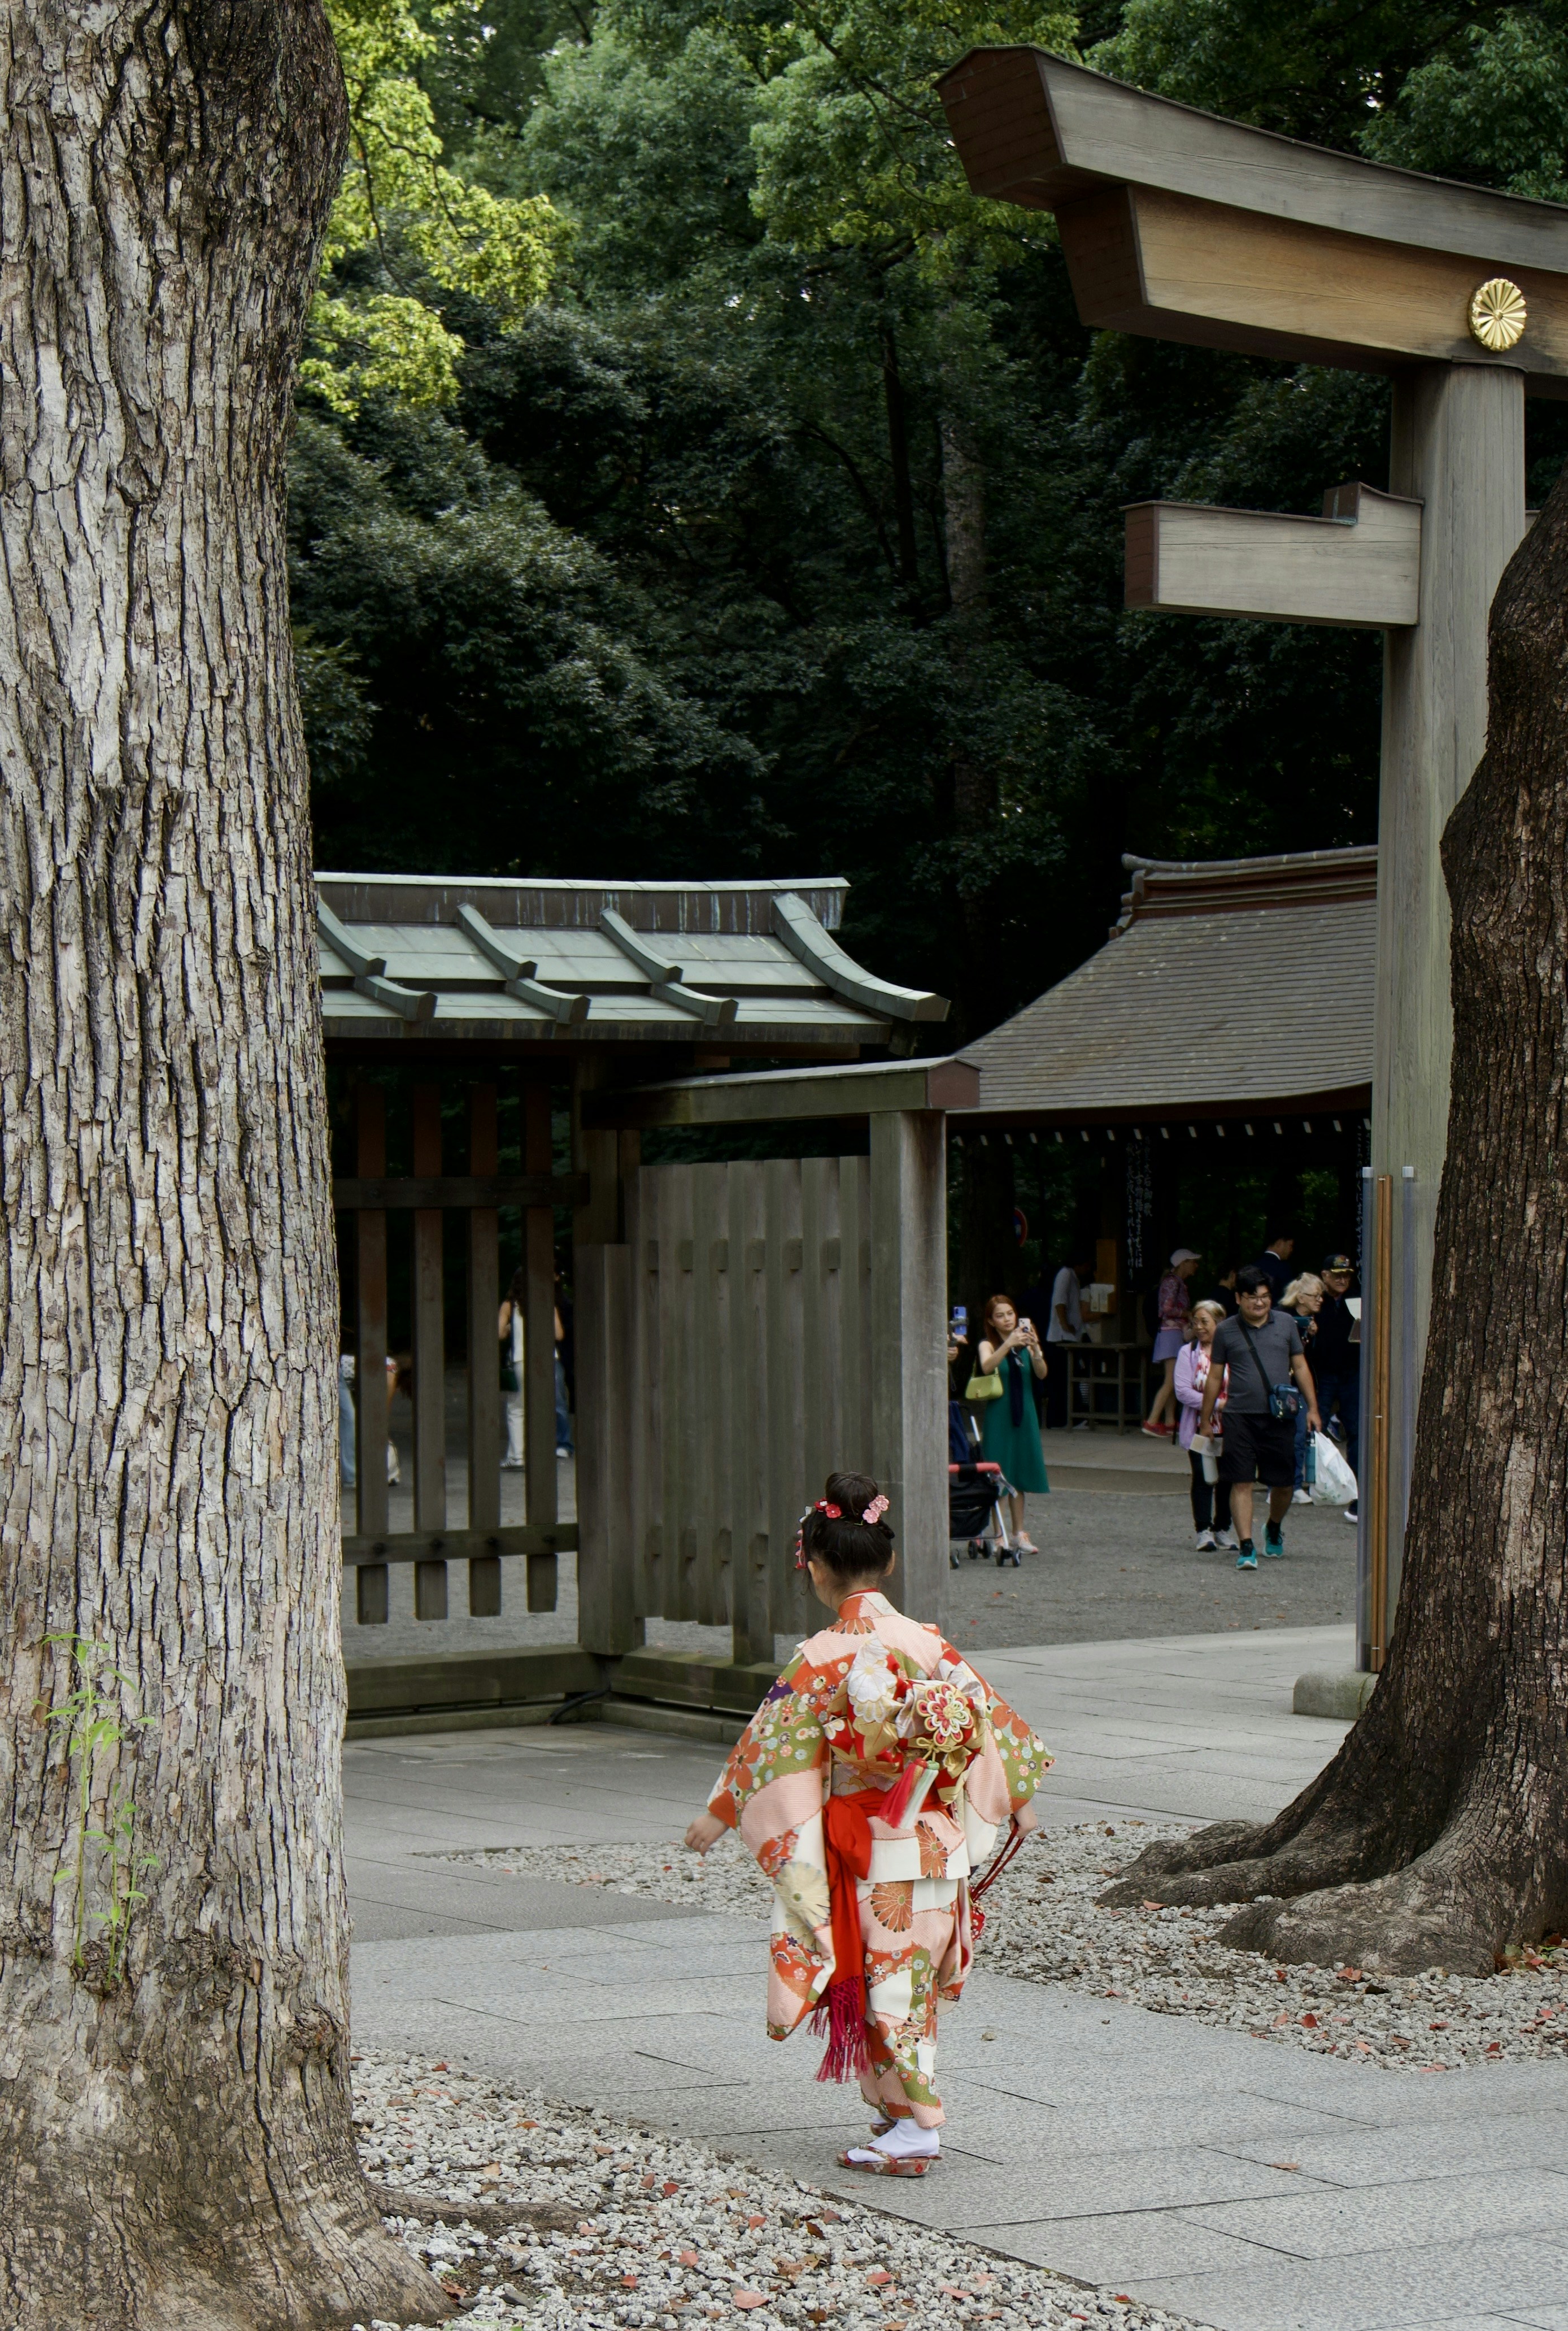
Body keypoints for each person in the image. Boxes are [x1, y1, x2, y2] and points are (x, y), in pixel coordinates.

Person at [684, 1470, 1053, 2177]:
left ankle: (918, 2127)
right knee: (903, 1983)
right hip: (934, 1842)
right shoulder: (927, 1643)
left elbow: (771, 1751)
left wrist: (719, 1813)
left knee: (886, 1982)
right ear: (887, 1561)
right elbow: (989, 1724)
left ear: (817, 1570)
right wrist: (1016, 1800)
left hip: (867, 1845)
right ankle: (894, 2108)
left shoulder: (819, 1657)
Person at [1199, 1265, 1321, 1570]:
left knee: (1283, 1484)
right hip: (1239, 1416)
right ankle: (1247, 1545)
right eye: (1252, 1297)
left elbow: (1301, 1367)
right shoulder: (1226, 1330)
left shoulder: (1286, 1324)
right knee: (1240, 1481)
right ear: (1239, 1298)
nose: (1260, 1303)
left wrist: (1314, 1409)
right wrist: (1205, 1419)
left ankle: (1274, 1525)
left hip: (1279, 1415)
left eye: (1265, 1297)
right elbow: (1215, 1376)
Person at [976, 1295, 1050, 1551]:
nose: (1007, 1319)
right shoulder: (989, 1344)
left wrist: (1036, 1349)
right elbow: (987, 1367)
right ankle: (999, 1535)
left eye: (1010, 1313)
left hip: (1026, 1413)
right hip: (1000, 1414)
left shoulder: (1026, 1343)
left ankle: (1019, 1533)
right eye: (1000, 1315)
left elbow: (1041, 1373)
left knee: (1019, 1472)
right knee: (999, 1473)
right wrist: (1008, 1344)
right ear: (991, 1321)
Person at [1174, 1301, 1236, 1552]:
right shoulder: (1187, 1353)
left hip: (1231, 1427)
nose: (1199, 1328)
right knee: (1203, 1478)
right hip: (1200, 1426)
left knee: (1228, 1480)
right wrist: (1218, 1404)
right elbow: (1182, 1391)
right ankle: (1203, 1530)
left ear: (1219, 1323)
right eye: (1195, 1322)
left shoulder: (1233, 1351)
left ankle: (1223, 1528)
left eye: (1205, 1322)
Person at [1314, 1254, 1361, 1524]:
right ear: (1325, 1275)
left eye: (1346, 1274)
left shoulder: (1358, 1299)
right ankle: (1312, 1481)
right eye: (1337, 1274)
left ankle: (1353, 1484)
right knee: (1314, 1426)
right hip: (1323, 1373)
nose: (1343, 1279)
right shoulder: (1316, 1299)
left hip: (1352, 1373)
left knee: (1355, 1429)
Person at [1142, 1247, 1200, 1436]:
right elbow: (1166, 1309)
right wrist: (1188, 1314)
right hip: (1171, 1333)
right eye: (1193, 1261)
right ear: (1183, 1263)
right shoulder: (1173, 1282)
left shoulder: (1177, 1282)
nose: (1196, 1265)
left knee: (1173, 1379)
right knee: (1171, 1380)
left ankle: (1169, 1421)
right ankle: (1151, 1421)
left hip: (1172, 1334)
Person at [1279, 1273, 1325, 1506]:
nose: (1320, 1300)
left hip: (1302, 1386)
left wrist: (1312, 1337)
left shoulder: (1316, 1321)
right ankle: (1277, 1486)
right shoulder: (1282, 1318)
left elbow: (1313, 1361)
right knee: (1280, 1438)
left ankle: (1296, 1485)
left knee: (1300, 1436)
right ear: (1300, 1297)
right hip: (1281, 1385)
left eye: (1321, 1296)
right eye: (1315, 1296)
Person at [1044, 1254, 1092, 1430]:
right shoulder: (1065, 1274)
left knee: (1064, 1380)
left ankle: (1064, 1419)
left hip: (1067, 1336)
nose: (1088, 1270)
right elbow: (1059, 1302)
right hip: (1061, 1337)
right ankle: (1061, 1420)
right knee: (1061, 1380)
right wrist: (1065, 1325)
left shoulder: (1074, 1278)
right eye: (1086, 1265)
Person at [498, 1268, 526, 1470]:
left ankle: (517, 1456)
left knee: (516, 1409)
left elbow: (499, 1334)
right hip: (549, 1361)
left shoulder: (510, 1305)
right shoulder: (545, 1301)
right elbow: (559, 1333)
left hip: (520, 1359)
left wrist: (509, 1328)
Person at [1253, 1232, 1295, 1304]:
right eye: (1290, 1245)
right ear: (1280, 1243)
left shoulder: (1253, 1265)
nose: (1291, 1250)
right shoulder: (1283, 1268)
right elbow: (1289, 1295)